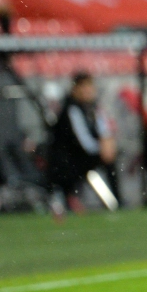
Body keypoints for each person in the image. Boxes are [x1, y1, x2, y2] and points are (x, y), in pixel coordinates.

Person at [46, 73, 117, 213]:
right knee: (106, 161)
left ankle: (115, 200)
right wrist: (101, 149)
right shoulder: (71, 109)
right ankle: (70, 199)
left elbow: (105, 131)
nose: (88, 90)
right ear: (75, 89)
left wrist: (108, 145)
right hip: (69, 160)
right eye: (83, 87)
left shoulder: (94, 108)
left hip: (84, 156)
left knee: (112, 159)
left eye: (89, 86)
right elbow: (82, 141)